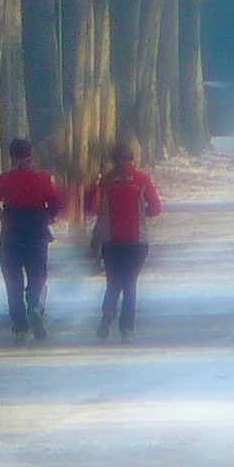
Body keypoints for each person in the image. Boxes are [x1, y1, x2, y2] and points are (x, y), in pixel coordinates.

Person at [0, 138, 63, 343]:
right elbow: (56, 203)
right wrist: (49, 216)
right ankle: (34, 303)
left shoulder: (4, 180)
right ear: (30, 156)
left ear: (11, 156)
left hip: (12, 235)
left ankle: (20, 328)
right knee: (37, 275)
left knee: (13, 283)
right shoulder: (42, 178)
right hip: (36, 234)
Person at [86, 138, 162, 341]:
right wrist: (141, 212)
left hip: (111, 240)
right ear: (132, 158)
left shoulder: (106, 181)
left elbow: (94, 208)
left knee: (113, 281)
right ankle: (126, 328)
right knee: (130, 283)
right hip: (137, 240)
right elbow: (155, 208)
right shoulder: (142, 179)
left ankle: (108, 311)